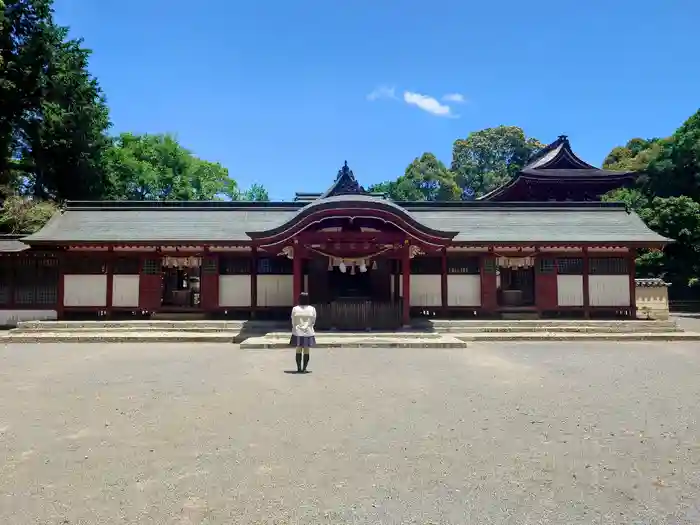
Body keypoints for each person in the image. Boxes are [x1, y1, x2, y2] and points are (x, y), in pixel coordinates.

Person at [290, 292, 316, 373]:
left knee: (298, 349)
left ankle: (298, 368)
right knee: (306, 350)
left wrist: (296, 327)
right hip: (308, 331)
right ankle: (304, 368)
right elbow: (313, 321)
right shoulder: (312, 309)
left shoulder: (295, 309)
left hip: (297, 331)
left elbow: (293, 321)